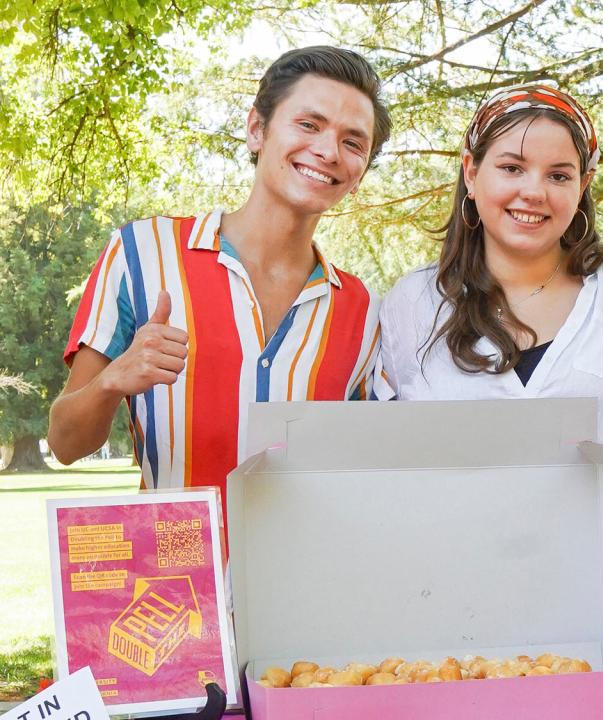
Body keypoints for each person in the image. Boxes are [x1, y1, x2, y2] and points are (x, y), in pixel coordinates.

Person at [376, 85, 603, 703]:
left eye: (559, 174)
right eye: (512, 168)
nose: (534, 192)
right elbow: (391, 464)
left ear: (583, 185)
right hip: (462, 612)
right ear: (471, 172)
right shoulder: (411, 305)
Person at [49, 46, 391, 533]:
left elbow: (366, 476)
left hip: (306, 594)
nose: (329, 151)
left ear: (359, 174)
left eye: (353, 142)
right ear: (257, 129)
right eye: (309, 124)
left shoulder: (365, 312)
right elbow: (64, 443)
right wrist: (113, 380)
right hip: (171, 593)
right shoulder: (141, 253)